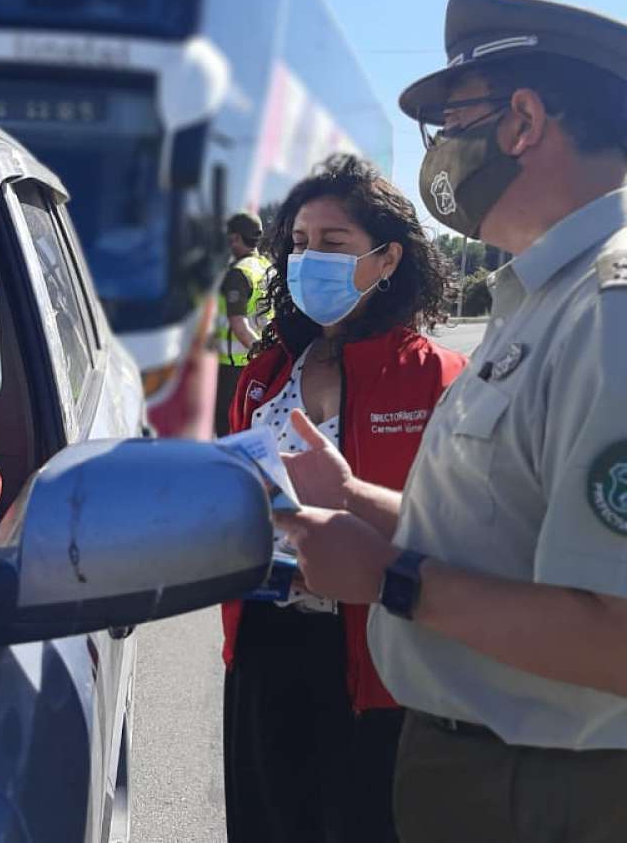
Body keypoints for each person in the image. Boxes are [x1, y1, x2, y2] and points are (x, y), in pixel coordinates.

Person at [274, 0, 627, 843]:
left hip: (549, 792)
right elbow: (508, 541)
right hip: (493, 774)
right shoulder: (548, 297)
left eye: (453, 120)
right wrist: (359, 501)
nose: (437, 153)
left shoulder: (610, 310)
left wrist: (394, 581)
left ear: (523, 122)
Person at [221, 155, 466, 843]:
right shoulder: (267, 373)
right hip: (266, 641)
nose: (309, 260)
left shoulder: (436, 376)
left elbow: (473, 529)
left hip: (378, 660)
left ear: (387, 260)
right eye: (298, 243)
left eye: (333, 244)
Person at [213, 211, 270, 436]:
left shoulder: (238, 273)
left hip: (235, 365)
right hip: (256, 363)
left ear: (236, 238)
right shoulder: (265, 266)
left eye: (230, 238)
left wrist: (260, 354)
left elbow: (239, 326)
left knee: (227, 429)